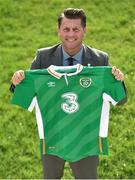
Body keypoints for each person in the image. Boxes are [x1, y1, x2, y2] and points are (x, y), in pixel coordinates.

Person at [10, 8, 126, 179]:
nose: (71, 34)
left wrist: (119, 81)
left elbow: (121, 100)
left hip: (86, 139)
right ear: (59, 31)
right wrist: (16, 83)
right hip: (52, 137)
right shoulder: (43, 57)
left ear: (84, 30)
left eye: (76, 29)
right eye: (66, 29)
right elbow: (25, 92)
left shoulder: (100, 60)